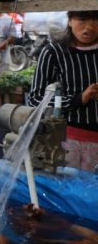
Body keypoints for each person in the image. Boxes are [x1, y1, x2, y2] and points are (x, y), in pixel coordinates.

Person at [29, 10, 98, 171]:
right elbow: (35, 99)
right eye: (82, 19)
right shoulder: (53, 52)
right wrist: (78, 99)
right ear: (69, 20)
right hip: (64, 142)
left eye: (96, 20)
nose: (89, 27)